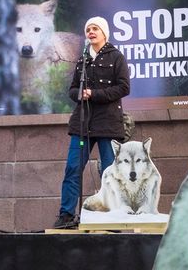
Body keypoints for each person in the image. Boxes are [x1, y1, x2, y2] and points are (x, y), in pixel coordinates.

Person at [53, 16, 131, 229]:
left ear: (104, 33)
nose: (91, 32)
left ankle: (114, 215)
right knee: (72, 168)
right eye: (88, 29)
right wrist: (79, 94)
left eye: (95, 28)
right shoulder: (83, 60)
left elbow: (124, 88)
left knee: (110, 172)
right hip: (82, 123)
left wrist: (94, 94)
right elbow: (72, 89)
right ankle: (67, 214)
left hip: (107, 123)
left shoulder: (116, 57)